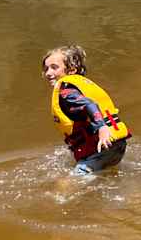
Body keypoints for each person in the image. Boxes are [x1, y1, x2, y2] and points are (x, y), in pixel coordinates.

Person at [42, 44, 131, 174]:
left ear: (71, 70)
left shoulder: (66, 92)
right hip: (118, 144)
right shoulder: (82, 85)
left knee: (68, 184)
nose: (48, 73)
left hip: (101, 146)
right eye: (46, 68)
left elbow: (89, 104)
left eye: (54, 68)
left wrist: (102, 128)